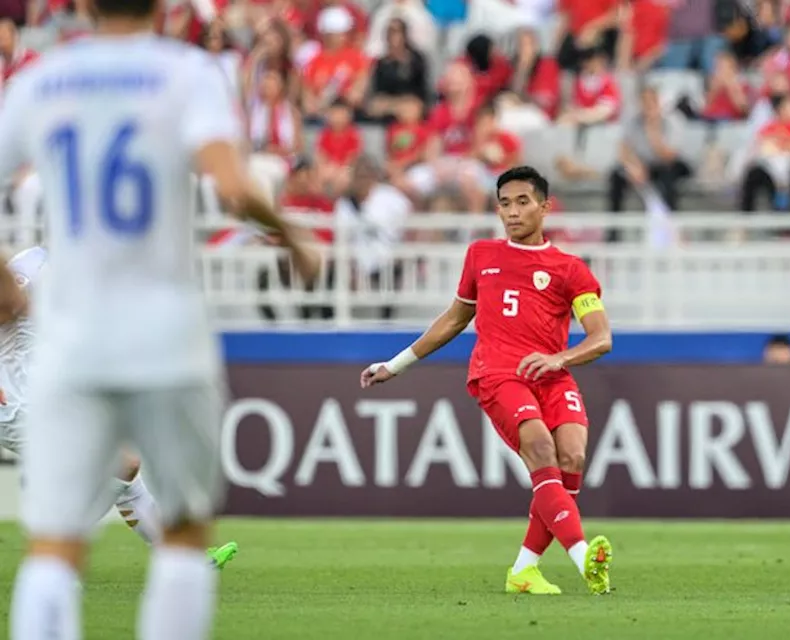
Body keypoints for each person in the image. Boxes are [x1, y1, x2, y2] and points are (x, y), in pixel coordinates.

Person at [0, 0, 321, 634]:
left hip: (73, 338)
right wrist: (293, 234)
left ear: (85, 6)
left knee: (56, 542)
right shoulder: (188, 72)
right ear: (164, 9)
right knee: (183, 530)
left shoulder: (42, 79)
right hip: (163, 326)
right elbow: (233, 187)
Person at [360, 166, 614, 597]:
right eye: (504, 204)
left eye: (522, 202)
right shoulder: (482, 255)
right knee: (539, 448)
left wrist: (559, 359)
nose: (512, 212)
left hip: (551, 374)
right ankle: (584, 557)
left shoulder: (571, 270)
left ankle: (524, 570)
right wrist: (395, 364)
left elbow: (601, 338)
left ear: (545, 207)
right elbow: (454, 320)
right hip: (498, 374)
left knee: (571, 457)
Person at [0, 248, 240, 567]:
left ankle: (184, 557)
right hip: (12, 402)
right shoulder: (30, 268)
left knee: (125, 477)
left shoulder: (80, 278)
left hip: (42, 398)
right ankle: (56, 560)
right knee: (119, 465)